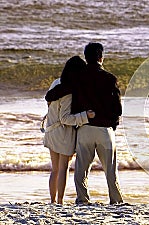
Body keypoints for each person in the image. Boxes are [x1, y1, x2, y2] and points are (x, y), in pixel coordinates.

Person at [45, 43, 123, 204]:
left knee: (81, 171)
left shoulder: (78, 78)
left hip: (84, 129)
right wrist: (112, 124)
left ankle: (82, 199)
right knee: (110, 170)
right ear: (101, 57)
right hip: (104, 130)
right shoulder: (110, 78)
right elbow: (118, 109)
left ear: (86, 57)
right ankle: (115, 200)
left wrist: (48, 96)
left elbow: (59, 91)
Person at [43, 56, 96, 204]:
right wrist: (86, 116)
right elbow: (65, 118)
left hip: (51, 131)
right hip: (63, 133)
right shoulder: (69, 91)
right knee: (63, 169)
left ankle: (53, 201)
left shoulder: (56, 83)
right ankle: (60, 201)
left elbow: (49, 104)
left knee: (55, 169)